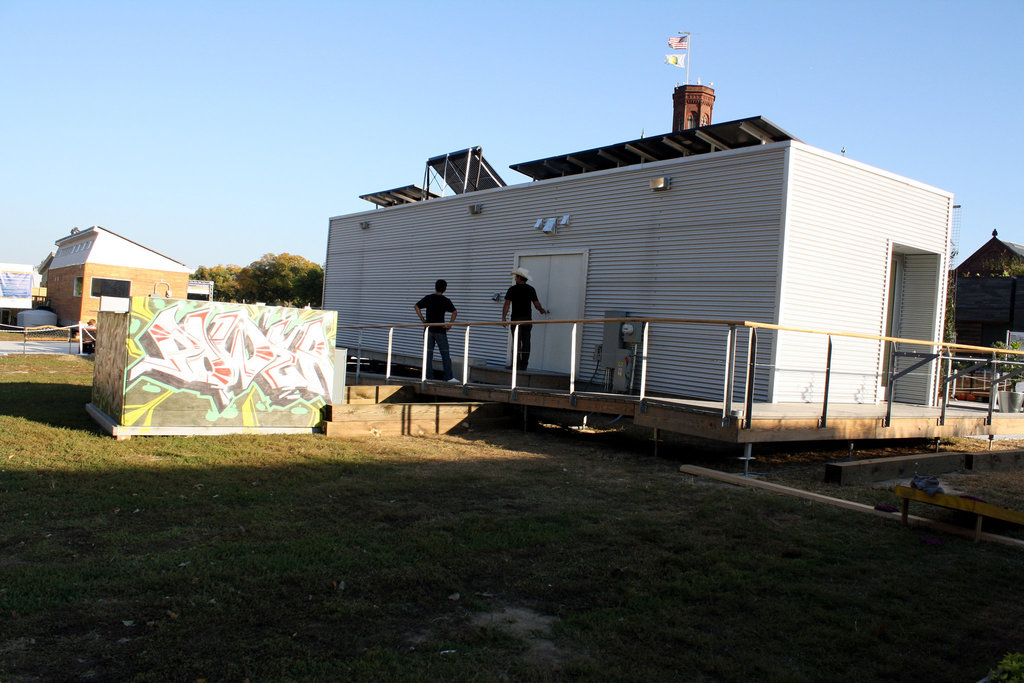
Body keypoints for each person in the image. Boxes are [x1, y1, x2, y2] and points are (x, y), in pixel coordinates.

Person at [502, 267, 547, 369]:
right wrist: (541, 310)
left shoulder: (512, 289)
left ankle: (516, 364)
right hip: (527, 320)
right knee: (526, 342)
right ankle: (524, 365)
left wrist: (503, 318)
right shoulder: (530, 289)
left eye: (516, 277)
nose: (515, 278)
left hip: (515, 320)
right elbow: (536, 304)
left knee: (517, 342)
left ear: (519, 277)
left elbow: (507, 304)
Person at [414, 279, 458, 382]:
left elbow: (416, 306)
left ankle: (429, 377)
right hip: (440, 329)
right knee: (445, 354)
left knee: (428, 354)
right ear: (445, 289)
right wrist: (450, 324)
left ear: (435, 287)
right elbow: (455, 312)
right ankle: (448, 377)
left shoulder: (428, 298)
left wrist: (422, 319)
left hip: (428, 328)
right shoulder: (446, 300)